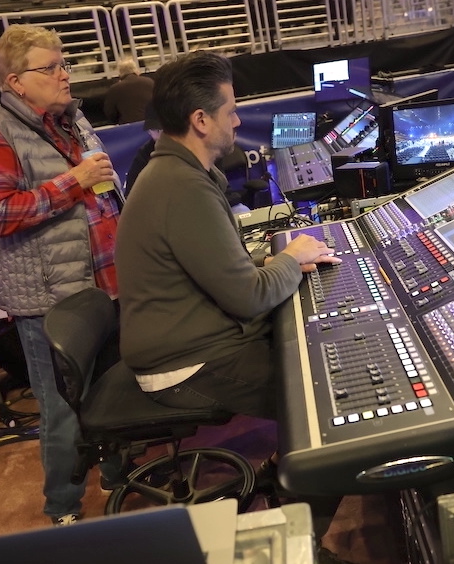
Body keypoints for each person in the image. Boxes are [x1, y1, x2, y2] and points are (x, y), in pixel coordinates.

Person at [115, 52, 342, 537]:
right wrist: (290, 258)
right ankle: (300, 542)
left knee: (311, 363)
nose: (238, 120)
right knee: (325, 399)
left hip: (195, 340)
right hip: (183, 364)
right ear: (200, 120)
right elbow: (246, 297)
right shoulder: (181, 187)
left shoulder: (180, 175)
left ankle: (284, 476)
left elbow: (225, 273)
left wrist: (280, 264)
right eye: (230, 111)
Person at [0, 23, 123, 527]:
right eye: (49, 67)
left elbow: (106, 193)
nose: (64, 74)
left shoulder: (71, 120)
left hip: (102, 284)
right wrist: (72, 181)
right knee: (61, 410)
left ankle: (120, 476)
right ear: (15, 82)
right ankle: (63, 510)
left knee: (113, 389)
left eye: (64, 63)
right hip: (50, 300)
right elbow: (0, 214)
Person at [103, 57, 154, 125]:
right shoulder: (150, 82)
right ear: (136, 70)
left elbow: (110, 113)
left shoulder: (115, 89)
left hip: (129, 129)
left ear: (120, 73)